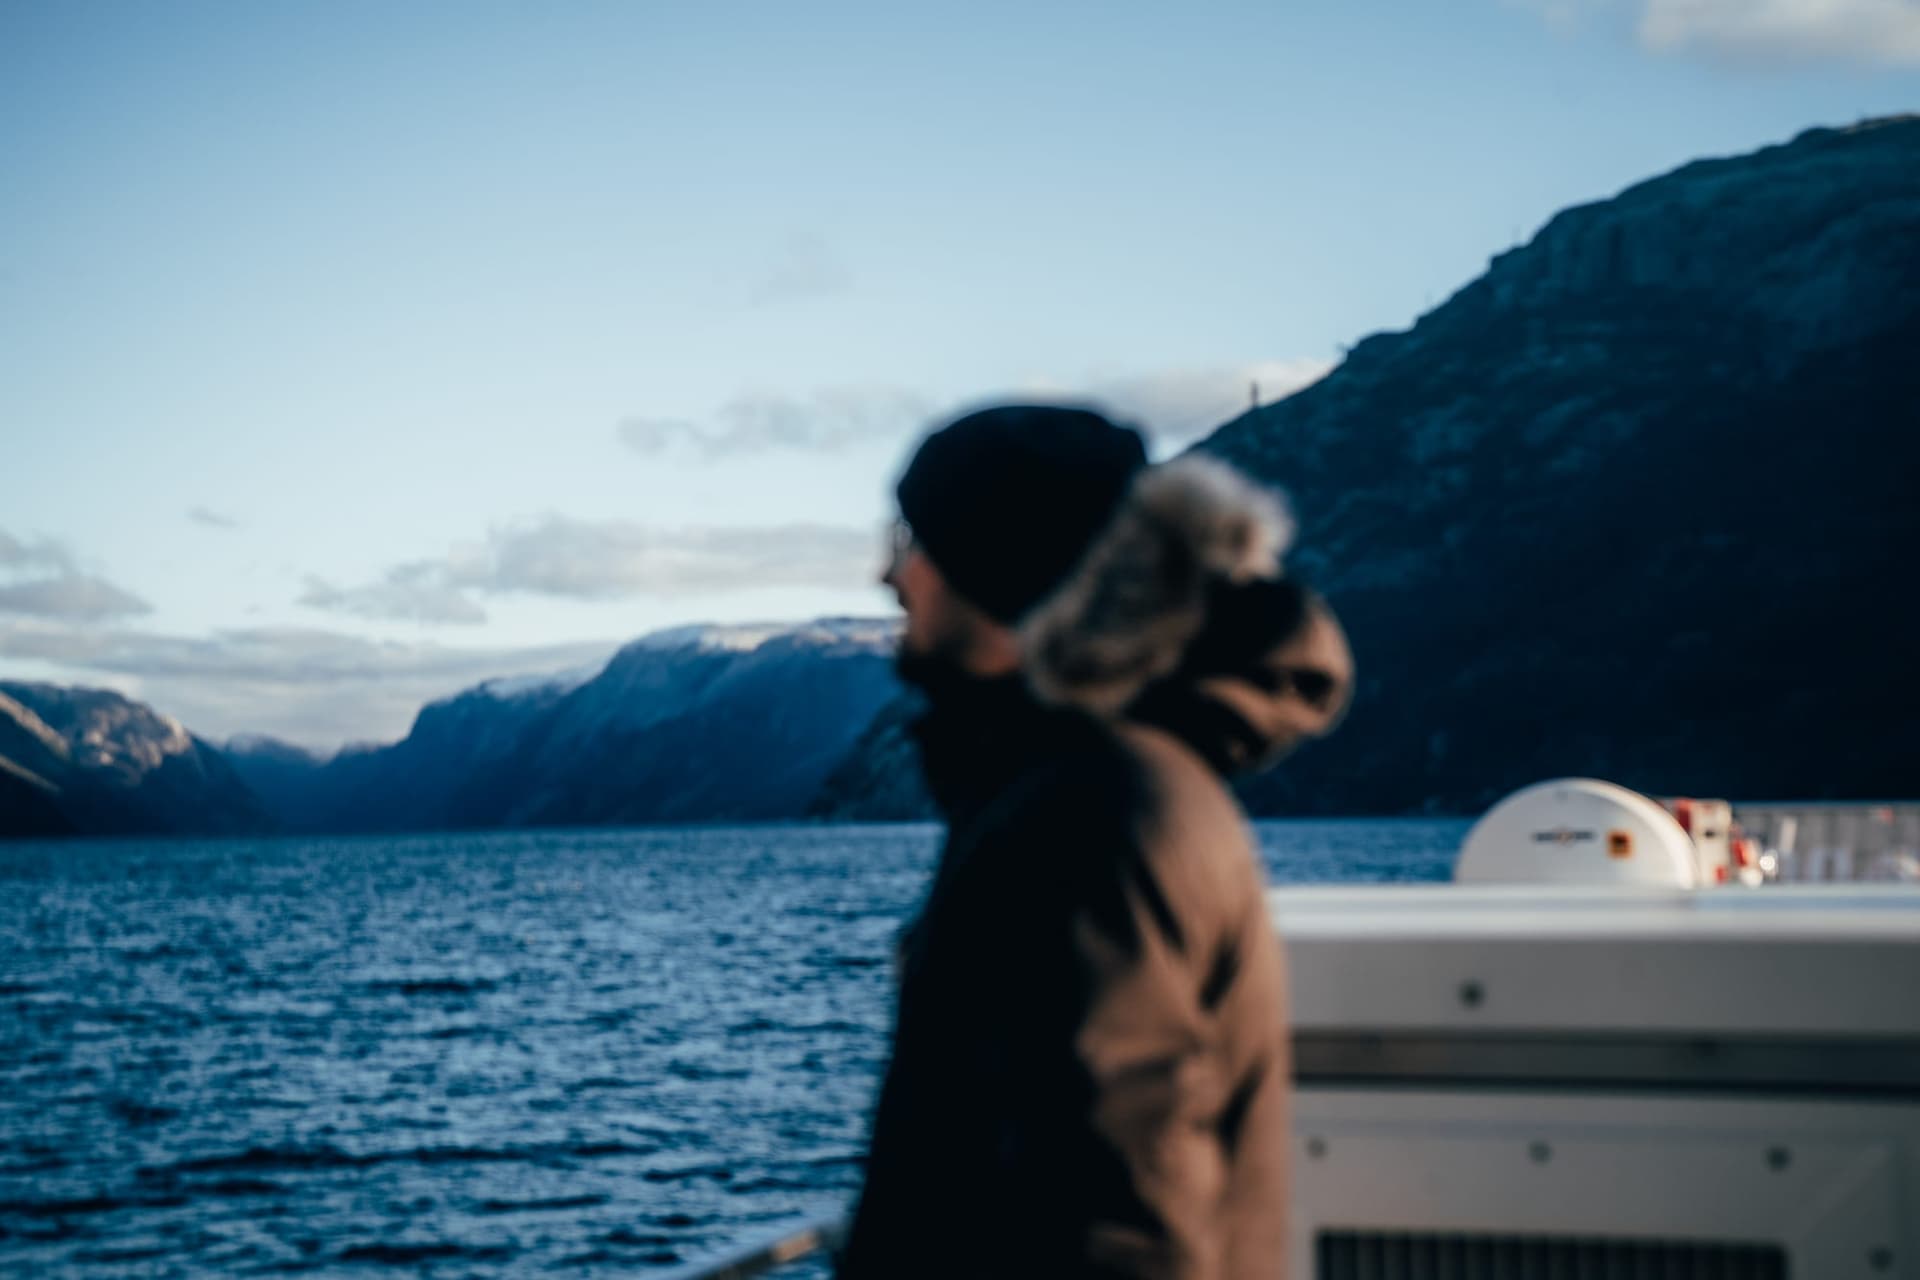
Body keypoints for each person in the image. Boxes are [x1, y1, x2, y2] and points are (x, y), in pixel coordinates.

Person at [840, 403, 1351, 1280]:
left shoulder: (1093, 815)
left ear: (996, 572)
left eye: (911, 540)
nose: (890, 577)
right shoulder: (1092, 788)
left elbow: (1122, 1221)